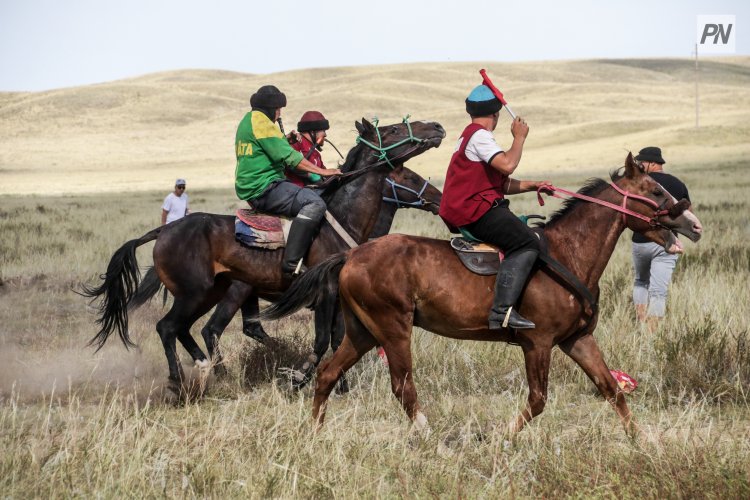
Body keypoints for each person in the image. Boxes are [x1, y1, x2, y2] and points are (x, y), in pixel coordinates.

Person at [439, 84, 551, 330]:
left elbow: (500, 183)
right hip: (475, 211)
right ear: (496, 115)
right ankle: (502, 312)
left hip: (473, 208)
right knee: (527, 241)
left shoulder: (470, 135)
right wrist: (519, 137)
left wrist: (534, 185)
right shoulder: (480, 136)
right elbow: (508, 165)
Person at [235, 85, 340, 276]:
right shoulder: (263, 125)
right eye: (278, 109)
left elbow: (270, 148)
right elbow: (291, 159)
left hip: (255, 186)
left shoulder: (248, 120)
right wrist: (323, 172)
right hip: (265, 187)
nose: (279, 113)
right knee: (314, 203)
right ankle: (291, 263)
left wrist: (286, 140)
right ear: (271, 108)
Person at [631, 146, 690, 328]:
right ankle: (651, 332)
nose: (640, 165)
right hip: (667, 242)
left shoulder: (640, 183)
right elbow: (688, 214)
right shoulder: (678, 184)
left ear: (652, 163)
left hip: (640, 242)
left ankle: (641, 322)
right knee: (658, 292)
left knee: (641, 282)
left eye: (642, 162)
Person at [286, 111, 331, 187]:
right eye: (323, 131)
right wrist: (309, 175)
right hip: (295, 193)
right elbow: (290, 162)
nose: (325, 135)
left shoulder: (316, 154)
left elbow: (326, 173)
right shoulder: (296, 143)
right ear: (313, 132)